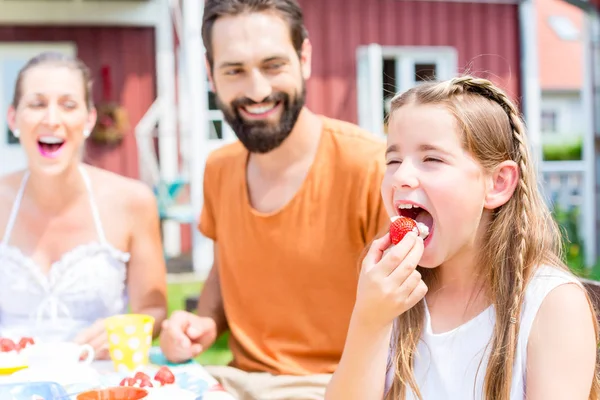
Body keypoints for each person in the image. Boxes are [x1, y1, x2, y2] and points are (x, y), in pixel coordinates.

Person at [159, 0, 388, 398]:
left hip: (338, 385)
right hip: (231, 382)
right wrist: (204, 323)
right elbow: (225, 267)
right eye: (235, 70)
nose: (257, 91)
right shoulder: (219, 167)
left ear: (304, 59)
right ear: (211, 74)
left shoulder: (371, 166)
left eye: (273, 65)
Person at [325, 75, 600, 400]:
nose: (400, 177)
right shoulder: (392, 300)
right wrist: (368, 321)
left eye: (432, 159)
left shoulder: (552, 306)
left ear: (497, 183)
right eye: (393, 160)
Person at [0, 52, 168, 359]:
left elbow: (153, 310)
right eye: (37, 104)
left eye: (68, 105)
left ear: (89, 119)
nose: (52, 120)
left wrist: (126, 327)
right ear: (13, 118)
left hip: (99, 381)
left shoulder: (133, 202)